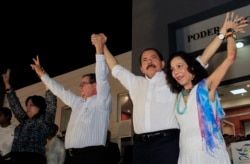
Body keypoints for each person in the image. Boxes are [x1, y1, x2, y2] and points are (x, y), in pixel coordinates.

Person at [90, 11, 247, 164]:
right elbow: (114, 67)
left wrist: (222, 33)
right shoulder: (134, 82)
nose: (149, 61)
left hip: (168, 143)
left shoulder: (174, 78)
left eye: (153, 58)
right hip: (140, 146)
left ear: (162, 64)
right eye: (145, 60)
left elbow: (204, 57)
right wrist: (102, 46)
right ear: (141, 68)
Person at [165, 12, 248, 164]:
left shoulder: (205, 88)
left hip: (211, 154)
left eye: (179, 66)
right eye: (172, 69)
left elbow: (230, 57)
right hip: (186, 156)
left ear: (192, 69)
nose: (176, 71)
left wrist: (229, 32)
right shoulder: (177, 97)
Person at [30, 36, 112, 164]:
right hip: (71, 157)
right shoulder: (77, 102)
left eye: (83, 83)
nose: (80, 86)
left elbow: (102, 78)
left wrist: (99, 49)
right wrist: (42, 75)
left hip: (91, 156)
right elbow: (60, 91)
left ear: (95, 86)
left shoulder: (102, 101)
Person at [2, 69, 57, 164]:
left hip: (33, 158)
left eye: (31, 104)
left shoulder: (45, 119)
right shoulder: (24, 120)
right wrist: (7, 84)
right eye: (27, 105)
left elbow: (51, 101)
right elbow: (15, 106)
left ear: (40, 106)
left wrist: (45, 77)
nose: (27, 107)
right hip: (16, 158)